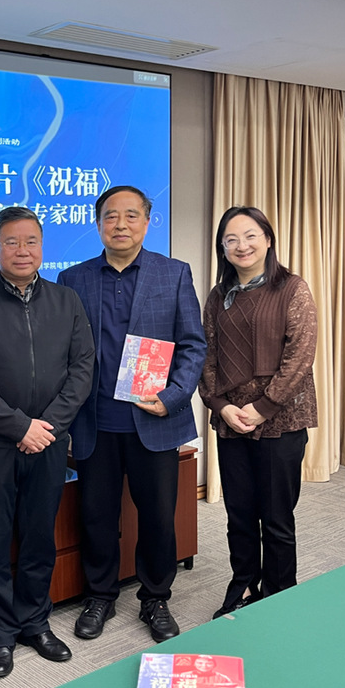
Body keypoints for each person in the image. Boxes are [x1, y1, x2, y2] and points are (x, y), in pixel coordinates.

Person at [0, 206, 95, 678]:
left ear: (42, 246)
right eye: (11, 242)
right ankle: (1, 633)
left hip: (49, 440)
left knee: (38, 536)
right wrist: (19, 427)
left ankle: (35, 622)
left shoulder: (66, 300)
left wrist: (46, 426)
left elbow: (82, 368)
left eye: (31, 241)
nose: (22, 250)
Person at [58, 185, 206, 644]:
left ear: (147, 220)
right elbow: (63, 352)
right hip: (95, 422)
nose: (120, 224)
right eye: (110, 216)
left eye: (130, 215)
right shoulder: (73, 278)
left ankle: (155, 597)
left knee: (158, 516)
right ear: (98, 223)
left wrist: (173, 396)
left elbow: (193, 345)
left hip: (156, 419)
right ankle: (100, 595)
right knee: (97, 516)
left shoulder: (173, 273)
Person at [198, 206, 318, 619]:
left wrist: (263, 407)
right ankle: (244, 588)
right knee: (240, 516)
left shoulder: (292, 288)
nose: (241, 245)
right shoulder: (219, 296)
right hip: (232, 421)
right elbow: (207, 357)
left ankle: (280, 599)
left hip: (280, 422)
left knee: (277, 519)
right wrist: (221, 406)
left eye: (250, 236)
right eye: (231, 239)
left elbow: (300, 356)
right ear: (222, 248)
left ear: (268, 239)